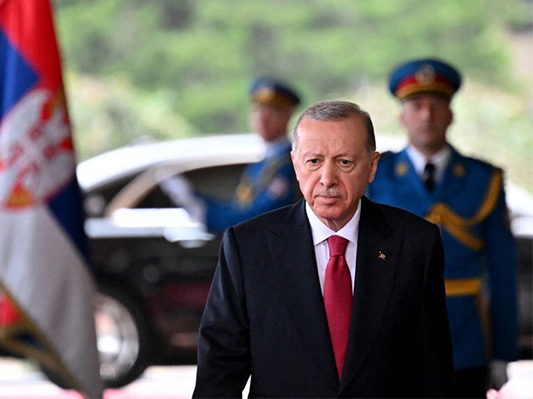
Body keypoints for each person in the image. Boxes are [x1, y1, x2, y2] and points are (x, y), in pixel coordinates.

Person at [193, 100, 456, 398]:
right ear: (295, 164)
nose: (327, 179)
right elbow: (218, 372)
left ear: (371, 167)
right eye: (314, 161)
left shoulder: (415, 243)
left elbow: (434, 369)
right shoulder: (247, 247)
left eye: (344, 162)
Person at [367, 58, 518, 398]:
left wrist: (502, 352)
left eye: (437, 105)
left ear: (451, 114)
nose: (426, 115)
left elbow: (502, 271)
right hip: (392, 333)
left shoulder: (484, 179)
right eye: (416, 105)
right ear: (401, 115)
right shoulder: (376, 175)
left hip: (465, 337)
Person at [160, 77, 301, 233]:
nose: (262, 118)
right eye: (257, 110)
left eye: (272, 111)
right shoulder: (263, 163)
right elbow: (241, 208)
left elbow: (259, 217)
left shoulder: (287, 165)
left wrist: (206, 212)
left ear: (288, 115)